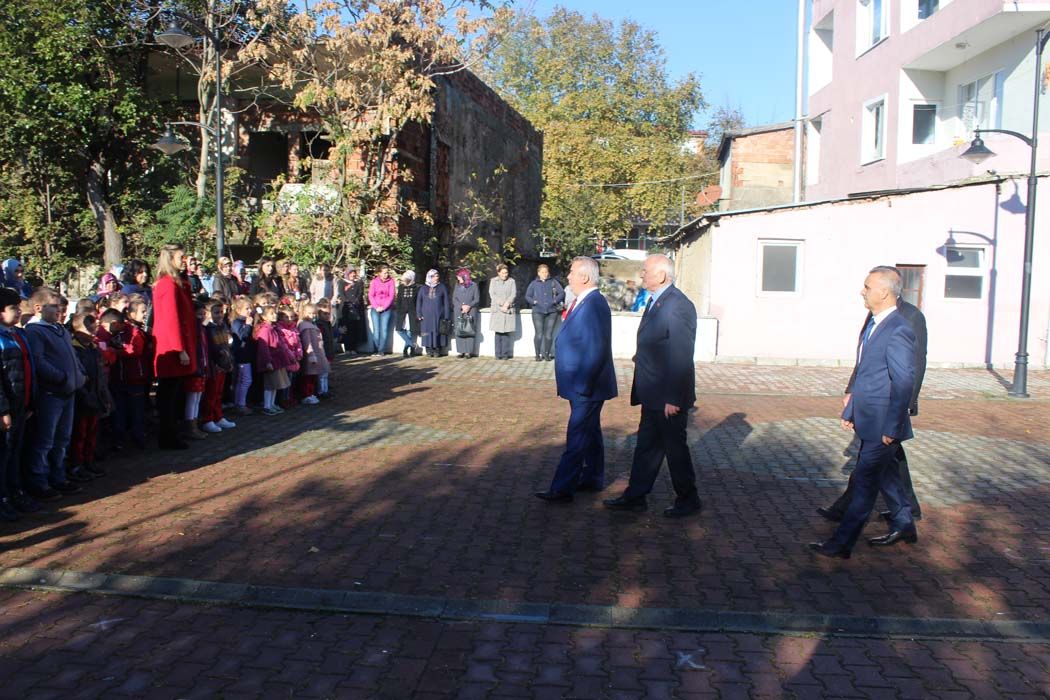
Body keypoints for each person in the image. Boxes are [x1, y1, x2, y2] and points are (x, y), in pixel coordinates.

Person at [809, 267, 918, 559]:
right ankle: (905, 523)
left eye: (867, 287)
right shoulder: (875, 323)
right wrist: (852, 409)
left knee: (864, 485)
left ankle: (841, 544)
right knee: (887, 475)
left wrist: (893, 427)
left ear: (884, 292)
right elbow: (867, 374)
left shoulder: (898, 328)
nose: (862, 291)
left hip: (883, 424)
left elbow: (903, 381)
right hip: (869, 418)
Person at [604, 254, 701, 518]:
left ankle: (688, 499)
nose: (641, 274)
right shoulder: (657, 301)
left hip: (667, 396)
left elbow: (681, 355)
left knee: (674, 449)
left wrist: (674, 398)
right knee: (647, 446)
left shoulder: (678, 305)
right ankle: (635, 496)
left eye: (645, 270)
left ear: (661, 275)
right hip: (652, 392)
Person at [535, 256, 617, 503]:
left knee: (577, 434)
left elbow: (596, 348)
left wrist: (583, 385)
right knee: (590, 431)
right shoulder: (584, 301)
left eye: (571, 272)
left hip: (586, 386)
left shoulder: (594, 304)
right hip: (582, 384)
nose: (568, 276)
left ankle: (562, 488)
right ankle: (592, 477)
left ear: (584, 277)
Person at [24, 287, 87, 499]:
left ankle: (58, 477)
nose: (59, 310)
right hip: (51, 394)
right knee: (45, 440)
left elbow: (72, 356)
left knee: (62, 439)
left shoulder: (59, 329)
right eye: (54, 306)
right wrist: (61, 378)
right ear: (38, 308)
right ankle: (39, 481)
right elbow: (39, 361)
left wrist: (80, 374)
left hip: (68, 392)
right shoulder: (35, 331)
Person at [151, 244, 198, 450]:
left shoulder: (175, 283)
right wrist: (180, 349)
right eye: (181, 257)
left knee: (174, 393)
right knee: (169, 395)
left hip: (176, 344)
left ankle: (172, 433)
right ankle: (168, 435)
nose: (184, 260)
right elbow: (171, 319)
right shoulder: (167, 285)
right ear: (170, 259)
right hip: (171, 347)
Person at [0, 287, 36, 519]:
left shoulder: (17, 335)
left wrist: (30, 401)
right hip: (7, 409)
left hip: (21, 404)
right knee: (4, 455)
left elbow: (28, 370)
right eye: (13, 308)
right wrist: (3, 410)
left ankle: (15, 492)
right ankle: (3, 498)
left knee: (15, 452)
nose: (19, 311)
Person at [69, 312, 112, 482]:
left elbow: (100, 374)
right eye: (89, 329)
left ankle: (88, 461)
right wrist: (84, 394)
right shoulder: (74, 348)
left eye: (94, 329)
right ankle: (76, 464)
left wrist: (103, 395)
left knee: (92, 433)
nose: (93, 333)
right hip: (82, 397)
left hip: (95, 395)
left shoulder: (93, 349)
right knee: (79, 434)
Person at [103, 302, 149, 449]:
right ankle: (119, 439)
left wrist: (116, 351)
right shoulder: (110, 333)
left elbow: (135, 350)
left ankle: (138, 437)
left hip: (135, 378)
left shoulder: (134, 332)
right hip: (117, 378)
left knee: (136, 411)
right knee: (119, 411)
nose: (145, 315)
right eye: (142, 311)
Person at [199, 300, 236, 433]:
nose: (220, 315)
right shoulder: (207, 329)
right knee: (211, 394)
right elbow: (209, 349)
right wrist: (216, 361)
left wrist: (229, 361)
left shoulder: (223, 326)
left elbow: (226, 346)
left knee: (219, 393)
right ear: (208, 313)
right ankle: (207, 419)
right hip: (214, 366)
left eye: (221, 312)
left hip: (223, 364)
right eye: (216, 312)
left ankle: (218, 416)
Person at [254, 305, 293, 415]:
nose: (274, 315)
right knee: (269, 385)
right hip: (271, 362)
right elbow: (264, 348)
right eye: (271, 313)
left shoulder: (273, 328)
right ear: (264, 317)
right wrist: (267, 362)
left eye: (275, 313)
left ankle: (272, 404)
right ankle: (267, 406)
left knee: (275, 384)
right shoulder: (265, 330)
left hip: (276, 361)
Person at [525, 264, 564, 361]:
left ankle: (547, 354)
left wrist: (554, 301)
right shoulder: (534, 283)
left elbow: (561, 293)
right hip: (537, 312)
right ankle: (537, 354)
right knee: (539, 334)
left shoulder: (553, 282)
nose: (545, 274)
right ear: (538, 273)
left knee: (548, 334)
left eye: (546, 272)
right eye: (542, 272)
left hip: (552, 312)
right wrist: (534, 302)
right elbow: (527, 296)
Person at [297, 301, 328, 404]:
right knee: (308, 377)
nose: (312, 315)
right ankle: (307, 395)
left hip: (316, 353)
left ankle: (311, 393)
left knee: (313, 376)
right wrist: (311, 355)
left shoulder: (311, 324)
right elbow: (307, 342)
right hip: (311, 355)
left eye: (314, 313)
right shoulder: (305, 326)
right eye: (310, 313)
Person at [230, 297, 255, 415]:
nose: (250, 311)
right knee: (245, 380)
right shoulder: (237, 322)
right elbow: (243, 336)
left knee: (244, 380)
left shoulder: (245, 321)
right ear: (238, 310)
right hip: (241, 356)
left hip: (247, 355)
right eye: (247, 308)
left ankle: (240, 403)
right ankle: (240, 404)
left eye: (250, 308)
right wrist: (248, 325)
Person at [416, 269, 449, 357]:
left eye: (437, 276)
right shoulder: (423, 288)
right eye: (434, 276)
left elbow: (446, 302)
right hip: (426, 316)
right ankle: (429, 349)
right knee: (426, 332)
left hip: (438, 315)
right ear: (429, 277)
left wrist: (446, 316)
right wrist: (419, 314)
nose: (436, 278)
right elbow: (419, 302)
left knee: (437, 331)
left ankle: (437, 349)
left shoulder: (442, 287)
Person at [489, 264, 517, 360]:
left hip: (508, 309)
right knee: (498, 333)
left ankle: (505, 354)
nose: (505, 275)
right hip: (497, 309)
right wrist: (501, 303)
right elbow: (492, 294)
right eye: (503, 273)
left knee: (506, 332)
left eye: (506, 272)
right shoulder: (493, 281)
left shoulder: (512, 281)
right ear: (498, 273)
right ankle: (498, 354)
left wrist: (507, 303)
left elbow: (513, 294)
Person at [368, 265, 396, 355]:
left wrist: (384, 307)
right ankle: (375, 349)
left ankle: (381, 350)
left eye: (387, 272)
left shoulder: (391, 281)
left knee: (384, 329)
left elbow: (391, 296)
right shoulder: (374, 282)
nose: (386, 274)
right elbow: (371, 295)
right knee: (376, 330)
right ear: (379, 273)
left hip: (386, 309)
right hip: (375, 308)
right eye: (384, 273)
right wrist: (376, 307)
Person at [452, 268, 480, 358]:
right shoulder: (457, 286)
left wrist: (469, 306)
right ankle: (461, 351)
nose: (457, 278)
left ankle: (468, 352)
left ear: (465, 276)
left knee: (469, 330)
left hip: (470, 311)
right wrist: (461, 306)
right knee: (459, 330)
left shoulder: (474, 285)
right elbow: (454, 299)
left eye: (459, 276)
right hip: (459, 311)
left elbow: (476, 299)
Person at [338, 268, 366, 355]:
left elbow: (360, 293)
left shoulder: (359, 283)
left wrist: (355, 302)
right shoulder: (342, 282)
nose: (353, 275)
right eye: (351, 273)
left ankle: (353, 348)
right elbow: (341, 294)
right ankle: (347, 348)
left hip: (356, 308)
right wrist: (348, 302)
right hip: (345, 308)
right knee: (346, 328)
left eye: (354, 273)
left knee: (354, 328)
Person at [394, 271, 421, 357]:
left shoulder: (417, 288)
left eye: (405, 280)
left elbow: (418, 301)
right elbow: (399, 300)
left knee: (409, 331)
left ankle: (407, 350)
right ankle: (412, 344)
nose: (403, 281)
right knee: (399, 330)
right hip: (402, 313)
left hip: (412, 313)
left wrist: (418, 312)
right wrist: (398, 310)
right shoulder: (401, 287)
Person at [315, 299, 336, 399]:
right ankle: (321, 391)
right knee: (322, 374)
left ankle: (325, 389)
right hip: (323, 352)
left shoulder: (328, 324)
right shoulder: (319, 325)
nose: (327, 316)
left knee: (326, 373)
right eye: (325, 314)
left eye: (328, 314)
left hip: (328, 351)